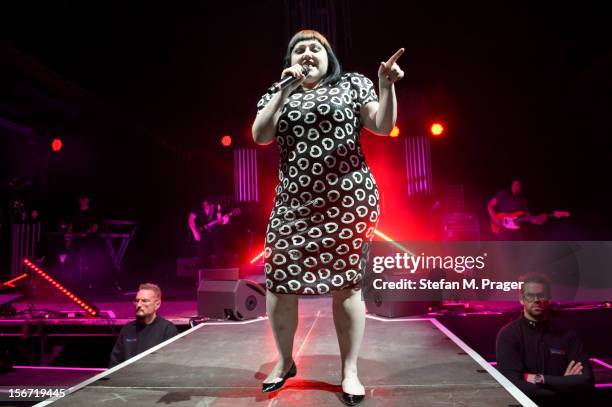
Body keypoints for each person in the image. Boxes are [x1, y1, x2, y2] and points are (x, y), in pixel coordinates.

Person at [252, 29, 404, 405]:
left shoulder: (352, 83)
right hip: (293, 205)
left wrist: (386, 86)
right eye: (299, 49)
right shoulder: (277, 91)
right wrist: (285, 90)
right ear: (289, 60)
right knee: (279, 282)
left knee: (347, 285)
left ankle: (349, 370)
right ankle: (285, 362)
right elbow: (260, 135)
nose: (306, 53)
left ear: (328, 56)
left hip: (348, 201)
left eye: (314, 48)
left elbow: (382, 125)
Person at [495, 273, 594, 406]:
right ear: (521, 299)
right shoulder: (509, 335)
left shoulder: (567, 335)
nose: (536, 300)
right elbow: (512, 385)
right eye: (530, 295)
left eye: (541, 295)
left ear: (549, 299)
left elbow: (586, 380)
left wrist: (539, 379)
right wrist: (563, 385)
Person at [109, 283, 177, 367]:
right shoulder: (127, 329)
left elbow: (169, 365)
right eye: (137, 301)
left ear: (157, 304)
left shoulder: (167, 329)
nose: (139, 305)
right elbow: (114, 363)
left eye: (144, 301)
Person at [188, 199, 228, 268]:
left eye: (206, 204)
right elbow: (190, 220)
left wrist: (223, 218)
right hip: (201, 234)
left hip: (213, 234)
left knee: (219, 252)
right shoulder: (197, 208)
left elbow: (220, 221)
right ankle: (200, 273)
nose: (205, 205)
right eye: (203, 204)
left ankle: (224, 272)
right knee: (202, 255)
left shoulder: (215, 208)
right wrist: (195, 233)